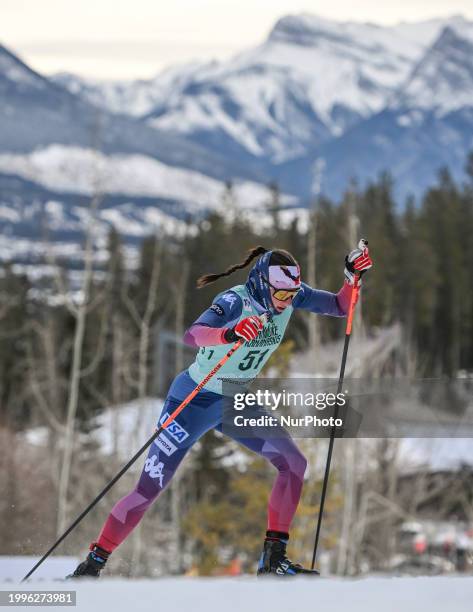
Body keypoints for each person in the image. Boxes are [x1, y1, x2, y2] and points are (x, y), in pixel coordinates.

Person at [68, 243, 372, 578]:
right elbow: (193, 335)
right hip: (192, 402)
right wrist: (231, 331)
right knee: (149, 489)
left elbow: (341, 306)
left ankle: (273, 560)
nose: (287, 300)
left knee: (294, 464)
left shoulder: (291, 293)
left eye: (292, 294)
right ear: (261, 283)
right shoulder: (234, 301)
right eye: (282, 294)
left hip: (233, 402)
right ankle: (92, 565)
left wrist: (351, 278)